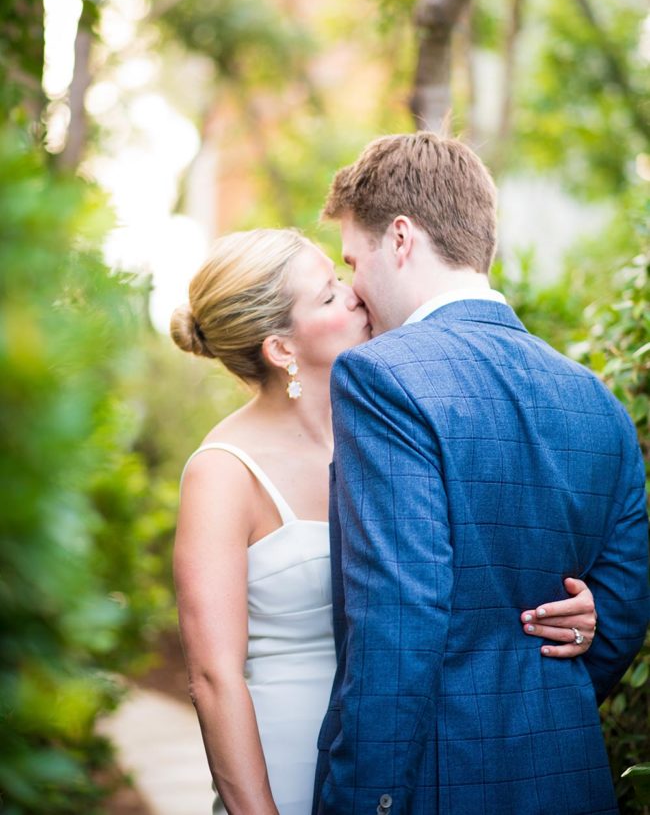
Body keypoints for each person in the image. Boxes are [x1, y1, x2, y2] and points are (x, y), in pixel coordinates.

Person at [171, 228, 599, 815]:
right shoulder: (222, 472)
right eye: (326, 296)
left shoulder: (390, 429)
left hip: (403, 764)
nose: (353, 295)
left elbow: (481, 570)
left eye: (340, 279)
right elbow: (213, 678)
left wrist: (577, 613)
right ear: (280, 349)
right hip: (283, 767)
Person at [312, 131, 650, 815]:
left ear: (400, 239)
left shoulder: (380, 377)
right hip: (570, 778)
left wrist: (362, 802)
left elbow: (396, 622)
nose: (353, 286)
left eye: (353, 259)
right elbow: (619, 615)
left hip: (436, 786)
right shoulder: (597, 401)